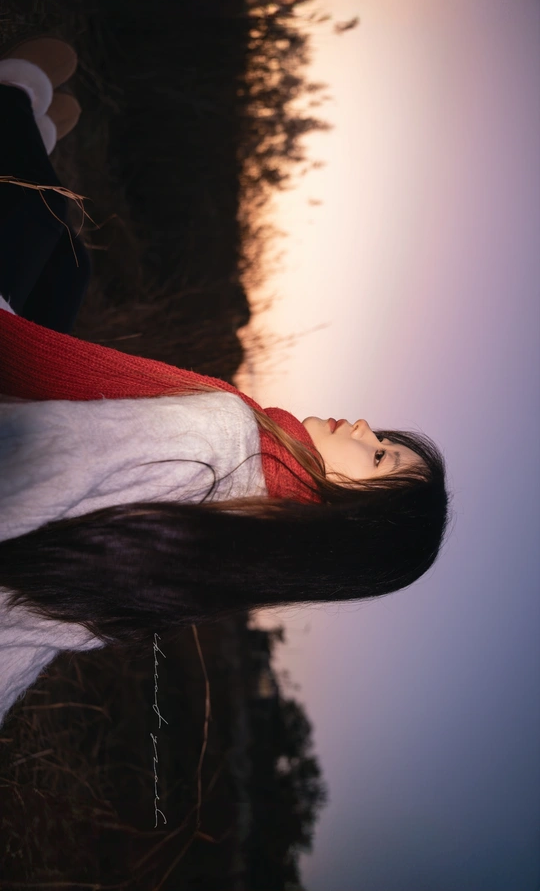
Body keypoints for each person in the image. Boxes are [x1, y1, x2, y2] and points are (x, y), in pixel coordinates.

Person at [0, 38, 451, 729]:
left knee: (40, 224)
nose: (365, 427)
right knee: (70, 266)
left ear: (355, 518)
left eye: (381, 456)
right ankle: (30, 125)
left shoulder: (225, 439)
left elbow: (24, 429)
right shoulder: (215, 558)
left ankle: (17, 100)